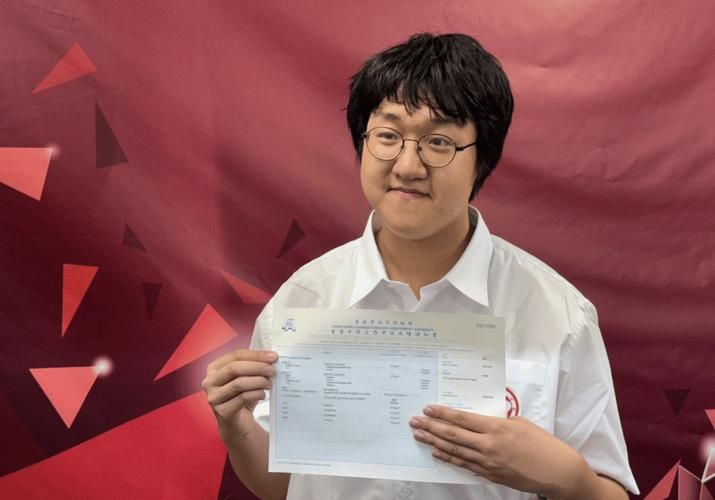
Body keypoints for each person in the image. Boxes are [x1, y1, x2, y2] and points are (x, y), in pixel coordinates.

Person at [202, 33, 639, 500]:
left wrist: (565, 476)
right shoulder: (304, 299)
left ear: (482, 159)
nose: (408, 165)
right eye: (388, 136)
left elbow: (610, 492)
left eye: (438, 142)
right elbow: (281, 486)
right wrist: (237, 426)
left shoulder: (558, 314)